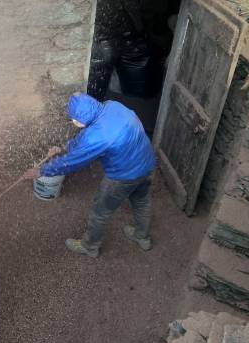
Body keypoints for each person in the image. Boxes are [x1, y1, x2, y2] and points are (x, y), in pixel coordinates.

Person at [24, 92, 156, 258]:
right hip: (147, 164)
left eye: (74, 119)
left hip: (124, 176)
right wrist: (64, 148)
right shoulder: (112, 106)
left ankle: (90, 246)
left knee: (100, 212)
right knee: (142, 201)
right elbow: (85, 139)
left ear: (81, 119)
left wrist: (41, 171)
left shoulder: (97, 136)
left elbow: (71, 162)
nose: (73, 122)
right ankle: (142, 237)